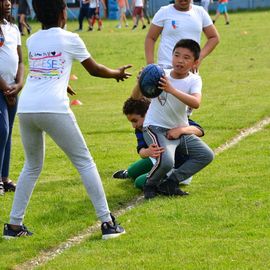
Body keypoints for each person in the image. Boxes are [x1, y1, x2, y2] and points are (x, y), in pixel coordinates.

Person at [3, 0, 132, 239]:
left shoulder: (32, 40)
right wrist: (117, 73)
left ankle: (13, 226)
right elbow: (94, 69)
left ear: (39, 15)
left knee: (31, 166)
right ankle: (107, 223)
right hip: (53, 107)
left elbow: (45, 68)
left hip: (28, 107)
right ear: (63, 13)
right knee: (85, 162)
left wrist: (63, 84)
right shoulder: (71, 38)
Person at [134, 39, 214, 199]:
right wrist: (140, 82)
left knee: (206, 155)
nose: (180, 60)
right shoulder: (160, 75)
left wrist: (171, 89)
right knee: (167, 161)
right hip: (155, 127)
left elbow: (196, 103)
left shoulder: (194, 80)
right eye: (177, 55)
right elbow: (135, 98)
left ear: (195, 62)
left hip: (179, 130)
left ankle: (170, 182)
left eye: (186, 57)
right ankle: (150, 184)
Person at [113, 97, 205, 190]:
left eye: (135, 120)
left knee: (139, 182)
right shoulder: (141, 129)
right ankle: (130, 174)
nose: (134, 126)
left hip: (176, 167)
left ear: (148, 114)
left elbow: (199, 130)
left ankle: (166, 182)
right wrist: (148, 152)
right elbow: (141, 151)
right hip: (158, 161)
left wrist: (181, 130)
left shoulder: (168, 120)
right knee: (132, 171)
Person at [145, 0, 219, 69]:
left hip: (189, 69)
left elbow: (214, 37)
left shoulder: (200, 12)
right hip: (166, 68)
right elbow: (151, 38)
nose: (183, 1)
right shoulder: (164, 12)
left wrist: (199, 57)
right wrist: (150, 65)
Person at [0, 0, 24, 196]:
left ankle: (4, 178)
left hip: (12, 89)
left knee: (7, 134)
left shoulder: (13, 28)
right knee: (2, 129)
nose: (7, 3)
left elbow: (21, 60)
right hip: (2, 88)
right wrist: (6, 88)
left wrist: (19, 84)